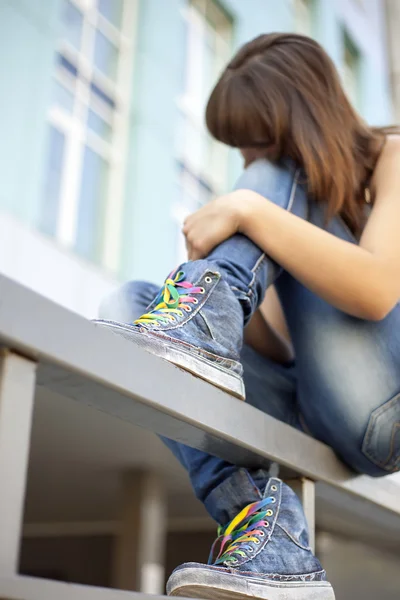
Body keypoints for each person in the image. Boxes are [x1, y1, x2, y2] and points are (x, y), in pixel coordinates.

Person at [97, 33, 400, 600]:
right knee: (128, 308)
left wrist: (247, 209)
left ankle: (205, 311)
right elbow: (285, 353)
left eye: (254, 146)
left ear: (298, 121)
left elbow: (378, 290)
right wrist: (220, 282)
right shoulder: (284, 203)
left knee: (265, 194)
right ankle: (270, 538)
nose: (248, 163)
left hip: (386, 407)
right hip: (317, 406)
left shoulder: (392, 154)